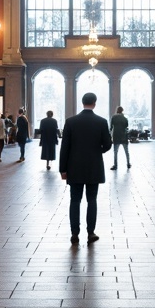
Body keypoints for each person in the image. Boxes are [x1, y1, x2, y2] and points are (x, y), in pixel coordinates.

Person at [59, 92, 111, 245]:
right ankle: (91, 233)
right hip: (93, 166)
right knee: (92, 200)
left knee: (75, 200)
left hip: (74, 167)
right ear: (94, 103)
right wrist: (96, 151)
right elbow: (108, 144)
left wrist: (63, 169)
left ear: (82, 103)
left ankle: (74, 234)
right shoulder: (101, 122)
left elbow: (64, 147)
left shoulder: (70, 122)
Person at [110, 105, 130, 170]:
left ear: (117, 110)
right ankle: (128, 164)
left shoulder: (113, 117)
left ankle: (115, 165)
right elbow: (126, 126)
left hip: (116, 136)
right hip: (124, 136)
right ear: (122, 111)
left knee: (115, 152)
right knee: (126, 151)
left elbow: (111, 128)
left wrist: (110, 136)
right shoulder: (125, 118)